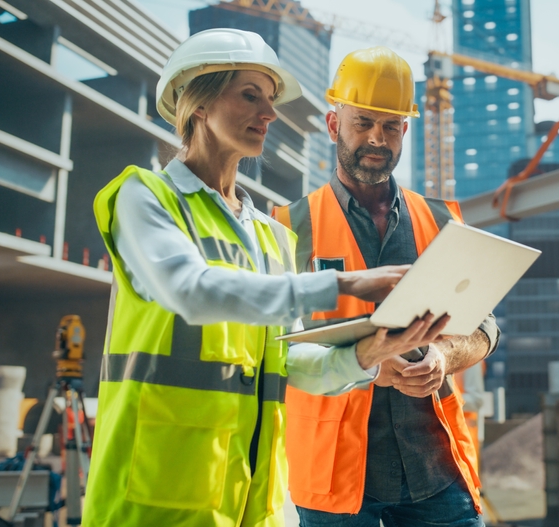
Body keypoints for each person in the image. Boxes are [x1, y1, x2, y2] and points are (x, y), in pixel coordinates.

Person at [82, 30, 443, 527]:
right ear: (198, 104)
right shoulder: (144, 198)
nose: (269, 114)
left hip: (256, 501)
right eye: (250, 95)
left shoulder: (272, 235)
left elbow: (288, 359)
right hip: (155, 492)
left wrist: (368, 355)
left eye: (270, 101)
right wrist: (343, 286)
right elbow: (189, 290)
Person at [273, 47, 499, 527]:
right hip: (334, 481)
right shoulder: (289, 227)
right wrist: (369, 368)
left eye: (391, 126)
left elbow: (485, 329)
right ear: (335, 126)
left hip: (436, 474)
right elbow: (274, 351)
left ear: (405, 132)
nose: (377, 138)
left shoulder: (439, 220)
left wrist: (443, 356)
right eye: (363, 123)